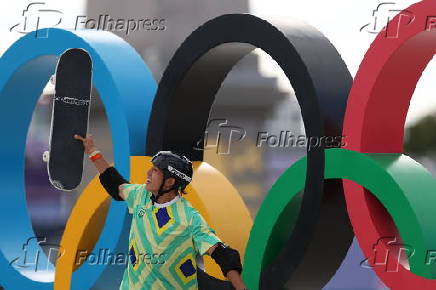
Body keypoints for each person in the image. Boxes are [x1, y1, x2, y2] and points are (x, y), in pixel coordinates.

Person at [74, 134, 247, 290]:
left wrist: (240, 287)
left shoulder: (189, 217)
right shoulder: (141, 195)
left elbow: (223, 255)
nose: (148, 172)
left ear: (170, 182)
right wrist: (92, 151)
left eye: (155, 170)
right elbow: (114, 184)